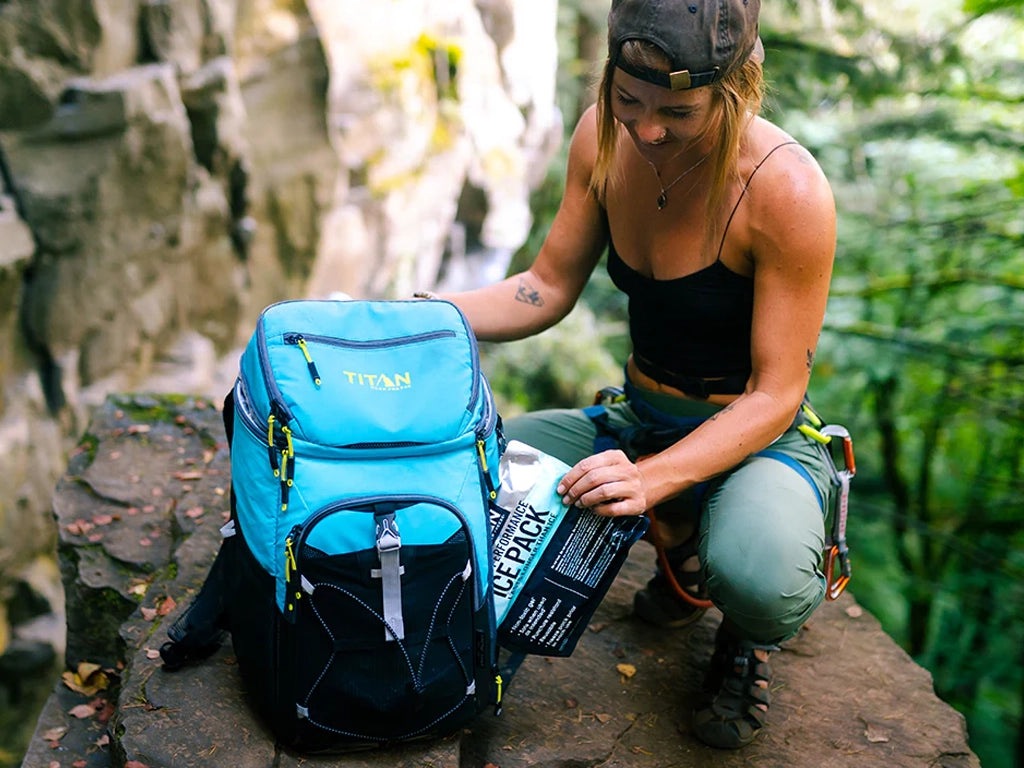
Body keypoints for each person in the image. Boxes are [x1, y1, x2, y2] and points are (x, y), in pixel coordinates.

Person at [431, 0, 838, 750]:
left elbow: (777, 393)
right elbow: (546, 288)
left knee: (762, 581)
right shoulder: (605, 137)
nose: (646, 129)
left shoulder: (787, 191)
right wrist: (420, 312)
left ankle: (740, 631)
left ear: (736, 91)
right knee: (465, 477)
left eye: (677, 113)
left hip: (755, 436)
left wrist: (650, 482)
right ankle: (680, 545)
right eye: (628, 100)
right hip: (633, 417)